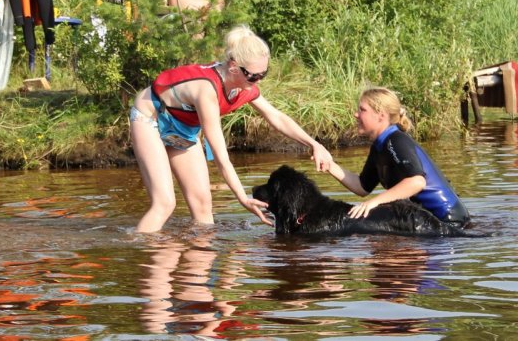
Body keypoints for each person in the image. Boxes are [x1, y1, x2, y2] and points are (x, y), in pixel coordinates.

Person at [130, 25, 333, 233]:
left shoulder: (243, 86)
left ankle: (201, 261)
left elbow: (276, 117)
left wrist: (314, 144)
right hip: (151, 118)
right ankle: (140, 253)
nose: (258, 81)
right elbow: (221, 158)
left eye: (264, 73)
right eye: (254, 76)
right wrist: (243, 198)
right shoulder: (207, 91)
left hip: (182, 129)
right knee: (164, 204)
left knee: (202, 207)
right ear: (234, 67)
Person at [326, 87, 470, 227]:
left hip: (448, 221)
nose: (356, 115)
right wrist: (330, 165)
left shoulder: (395, 141)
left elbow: (417, 182)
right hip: (427, 221)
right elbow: (362, 187)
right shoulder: (379, 145)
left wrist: (374, 202)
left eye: (362, 110)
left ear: (381, 115)